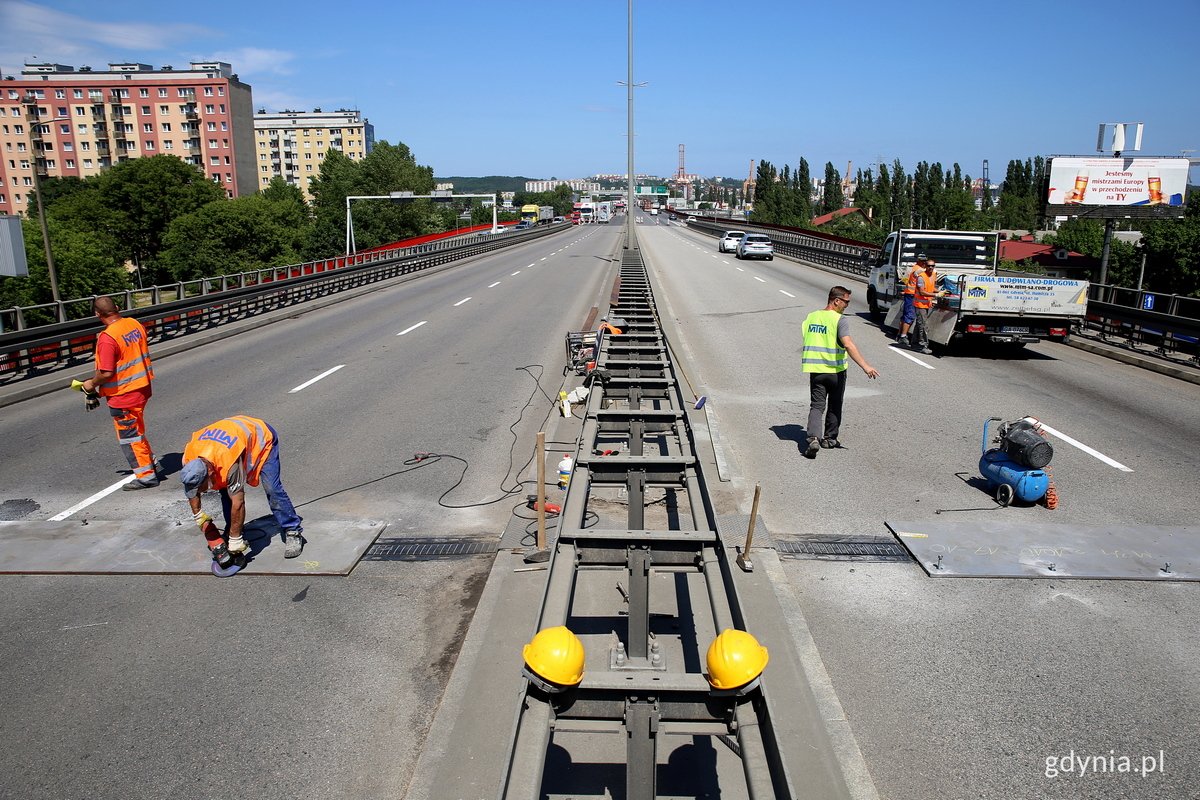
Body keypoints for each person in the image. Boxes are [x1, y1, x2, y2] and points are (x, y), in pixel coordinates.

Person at [180, 415, 305, 563]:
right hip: (227, 439)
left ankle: (292, 529)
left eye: (202, 488)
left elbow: (238, 503)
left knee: (272, 488)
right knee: (224, 490)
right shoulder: (189, 460)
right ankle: (232, 529)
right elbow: (192, 491)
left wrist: (235, 540)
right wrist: (199, 517)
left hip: (262, 439)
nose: (202, 492)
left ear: (210, 474)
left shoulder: (228, 463)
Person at [80, 296, 160, 490]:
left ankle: (146, 476)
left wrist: (91, 384)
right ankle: (149, 462)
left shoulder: (107, 338)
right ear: (117, 308)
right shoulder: (133, 324)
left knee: (130, 436)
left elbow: (106, 372)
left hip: (123, 395)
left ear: (97, 314)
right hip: (142, 387)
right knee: (137, 430)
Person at [801, 286, 880, 458]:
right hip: (835, 371)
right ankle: (829, 439)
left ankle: (814, 438)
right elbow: (848, 344)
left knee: (816, 406)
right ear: (836, 300)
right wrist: (866, 366)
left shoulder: (811, 317)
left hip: (816, 370)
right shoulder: (839, 320)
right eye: (846, 302)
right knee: (835, 404)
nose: (847, 306)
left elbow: (809, 338)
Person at [909, 257, 939, 354]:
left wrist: (941, 292)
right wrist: (936, 295)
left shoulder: (933, 275)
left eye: (932, 266)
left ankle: (914, 343)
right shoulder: (921, 277)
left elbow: (931, 288)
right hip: (919, 304)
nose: (930, 267)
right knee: (923, 326)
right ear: (925, 266)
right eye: (929, 265)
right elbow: (922, 292)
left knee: (919, 325)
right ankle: (922, 346)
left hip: (926, 304)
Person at [896, 254, 926, 346]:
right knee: (910, 316)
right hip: (913, 295)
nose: (925, 263)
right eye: (924, 261)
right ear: (920, 261)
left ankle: (900, 334)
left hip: (909, 293)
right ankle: (903, 337)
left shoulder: (913, 268)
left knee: (905, 316)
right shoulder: (920, 270)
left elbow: (906, 280)